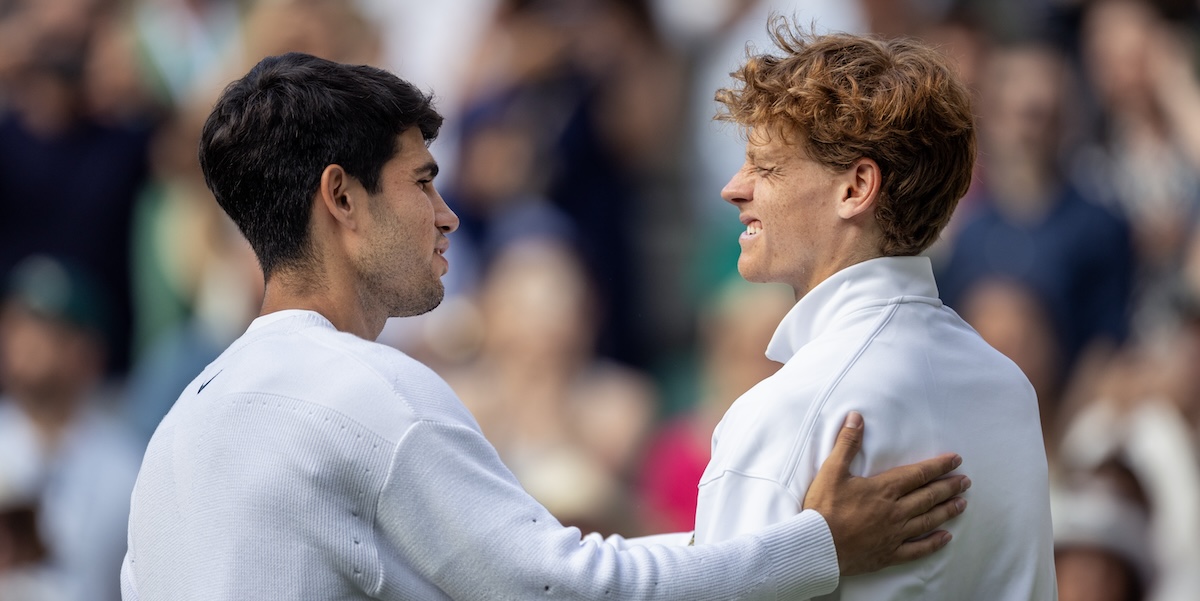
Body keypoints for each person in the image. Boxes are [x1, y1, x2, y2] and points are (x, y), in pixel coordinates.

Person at [121, 52, 970, 600]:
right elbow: (567, 591)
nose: (449, 216)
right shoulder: (371, 391)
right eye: (422, 182)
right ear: (341, 198)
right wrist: (818, 545)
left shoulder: (176, 428)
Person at [694, 19, 1056, 599]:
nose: (734, 187)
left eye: (765, 165)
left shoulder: (783, 412)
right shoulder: (1011, 388)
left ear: (855, 187)